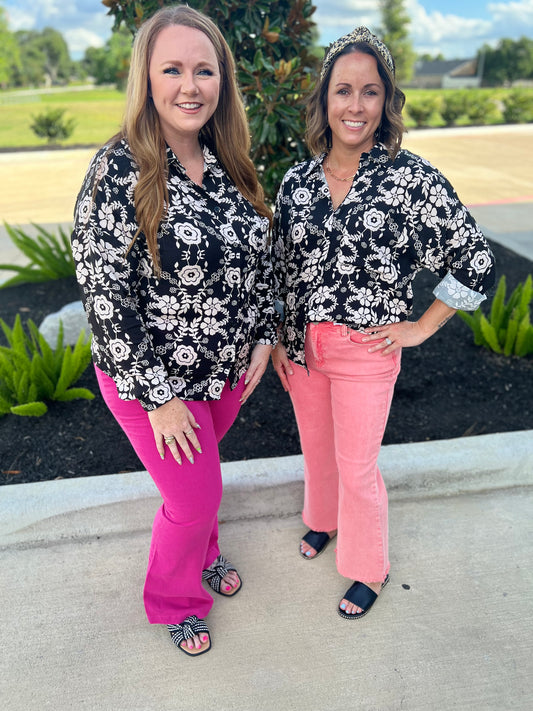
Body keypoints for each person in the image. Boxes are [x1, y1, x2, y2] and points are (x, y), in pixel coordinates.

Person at [71, 5, 277, 655]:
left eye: (203, 70)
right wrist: (157, 397)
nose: (189, 86)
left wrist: (265, 334)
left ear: (222, 82)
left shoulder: (229, 162)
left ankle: (204, 553)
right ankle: (172, 600)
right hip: (151, 384)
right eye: (172, 69)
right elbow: (103, 292)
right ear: (147, 78)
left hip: (221, 373)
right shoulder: (119, 169)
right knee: (193, 497)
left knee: (202, 485)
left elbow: (263, 256)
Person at [271, 27, 495, 620]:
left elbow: (475, 258)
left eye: (370, 92)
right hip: (301, 349)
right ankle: (322, 520)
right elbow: (277, 269)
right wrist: (274, 340)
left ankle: (369, 566)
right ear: (324, 98)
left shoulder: (409, 180)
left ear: (386, 102)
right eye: (342, 90)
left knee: (357, 465)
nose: (355, 105)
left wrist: (421, 326)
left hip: (366, 351)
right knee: (316, 451)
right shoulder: (295, 183)